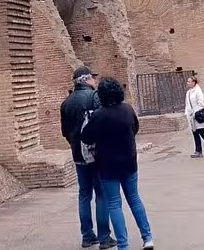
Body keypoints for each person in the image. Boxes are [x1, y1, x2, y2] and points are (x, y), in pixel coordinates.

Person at [81, 77, 154, 250]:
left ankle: (123, 245)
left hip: (107, 166)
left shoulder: (99, 115)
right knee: (135, 199)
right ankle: (148, 237)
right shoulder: (128, 110)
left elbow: (86, 137)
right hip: (129, 162)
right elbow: (135, 128)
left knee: (114, 204)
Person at [60, 66, 115, 249]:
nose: (94, 80)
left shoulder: (66, 103)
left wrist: (76, 145)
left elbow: (65, 132)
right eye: (92, 77)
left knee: (84, 194)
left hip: (77, 154)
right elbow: (103, 124)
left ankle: (87, 236)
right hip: (96, 154)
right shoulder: (94, 97)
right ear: (85, 80)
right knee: (101, 193)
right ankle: (104, 237)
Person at [184, 76, 204, 158]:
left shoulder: (198, 91)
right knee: (195, 133)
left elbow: (201, 103)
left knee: (201, 131)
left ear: (193, 82)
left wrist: (195, 112)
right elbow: (187, 104)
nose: (187, 83)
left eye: (189, 81)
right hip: (191, 116)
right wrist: (187, 113)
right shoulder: (188, 92)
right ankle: (198, 151)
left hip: (197, 115)